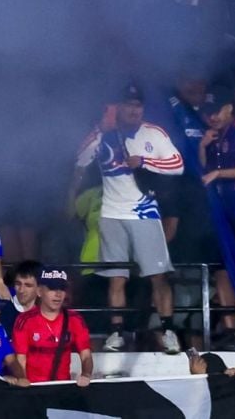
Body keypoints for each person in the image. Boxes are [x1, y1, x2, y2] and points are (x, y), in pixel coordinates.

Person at [72, 85, 183, 353]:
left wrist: (144, 162)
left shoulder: (153, 133)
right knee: (116, 278)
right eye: (129, 105)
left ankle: (168, 330)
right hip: (111, 214)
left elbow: (177, 164)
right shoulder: (103, 134)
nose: (135, 110)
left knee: (158, 275)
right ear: (117, 107)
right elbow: (81, 159)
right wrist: (102, 128)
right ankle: (116, 333)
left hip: (145, 212)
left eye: (138, 105)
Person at [11, 269, 93, 386]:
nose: (58, 294)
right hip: (34, 388)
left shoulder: (75, 319)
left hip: (63, 387)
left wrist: (86, 374)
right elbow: (20, 358)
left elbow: (86, 355)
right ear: (39, 291)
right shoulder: (25, 320)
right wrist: (22, 380)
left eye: (62, 289)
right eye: (52, 288)